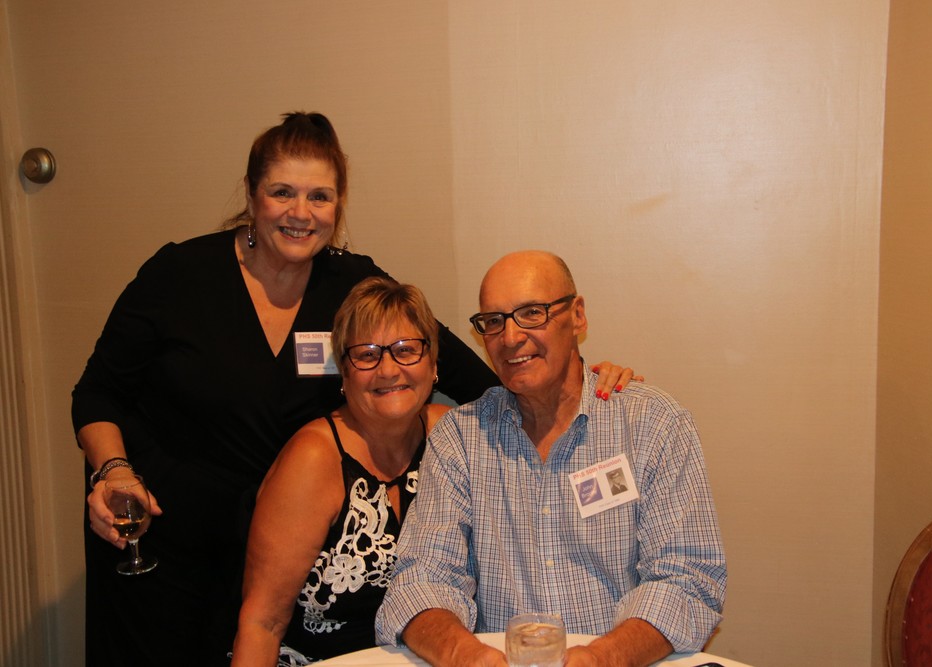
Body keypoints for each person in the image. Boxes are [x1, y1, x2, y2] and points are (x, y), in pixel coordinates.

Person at [72, 113, 635, 667]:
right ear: (251, 194)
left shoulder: (351, 283)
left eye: (319, 196)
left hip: (294, 550)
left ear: (338, 205)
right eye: (282, 192)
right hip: (166, 539)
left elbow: (486, 377)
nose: (301, 213)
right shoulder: (179, 276)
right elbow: (98, 393)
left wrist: (580, 379)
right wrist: (114, 471)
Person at [375, 250, 727, 667]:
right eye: (494, 321)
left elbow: (688, 579)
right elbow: (420, 581)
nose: (510, 337)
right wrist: (464, 656)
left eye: (532, 313)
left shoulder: (652, 425)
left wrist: (602, 658)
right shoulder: (461, 439)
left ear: (577, 316)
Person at [232, 277, 446, 666]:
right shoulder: (313, 458)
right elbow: (262, 623)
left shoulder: (451, 435)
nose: (388, 369)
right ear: (344, 374)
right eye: (366, 355)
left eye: (405, 350)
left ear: (432, 364)